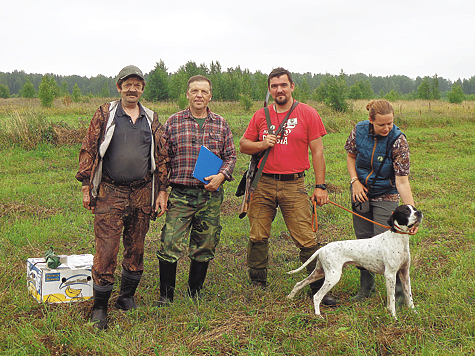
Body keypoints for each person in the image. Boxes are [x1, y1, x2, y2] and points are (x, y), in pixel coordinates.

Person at [76, 65, 169, 330]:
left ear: (142, 89)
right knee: (106, 251)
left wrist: (161, 190)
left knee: (136, 248)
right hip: (110, 192)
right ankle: (99, 308)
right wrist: (86, 184)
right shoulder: (105, 113)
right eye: (128, 84)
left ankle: (126, 297)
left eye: (137, 85)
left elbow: (162, 157)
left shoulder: (151, 118)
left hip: (142, 193)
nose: (132, 89)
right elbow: (89, 148)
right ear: (119, 87)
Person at [239, 67, 336, 306]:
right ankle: (257, 282)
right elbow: (243, 144)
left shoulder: (307, 113)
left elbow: (318, 152)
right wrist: (262, 143)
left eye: (283, 85)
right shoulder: (260, 115)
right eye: (274, 86)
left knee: (306, 238)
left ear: (292, 86)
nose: (279, 90)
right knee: (258, 234)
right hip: (263, 184)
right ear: (270, 90)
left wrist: (320, 185)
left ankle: (318, 288)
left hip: (294, 184)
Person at [157, 75, 236, 305]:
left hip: (210, 195)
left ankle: (195, 293)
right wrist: (162, 191)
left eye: (203, 91)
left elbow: (230, 156)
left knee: (205, 243)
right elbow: (162, 159)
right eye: (194, 91)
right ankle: (166, 296)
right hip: (181, 195)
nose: (199, 95)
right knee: (170, 242)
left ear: (210, 95)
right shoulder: (173, 122)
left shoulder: (221, 124)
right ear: (187, 95)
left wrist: (222, 176)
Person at [345, 99, 418, 303]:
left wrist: (413, 214)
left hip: (387, 192)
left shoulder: (398, 140)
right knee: (363, 241)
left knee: (388, 243)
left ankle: (400, 296)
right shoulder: (359, 130)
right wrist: (355, 182)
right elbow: (351, 156)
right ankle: (365, 289)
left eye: (390, 123)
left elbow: (402, 181)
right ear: (371, 121)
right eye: (381, 124)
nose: (387, 128)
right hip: (360, 190)